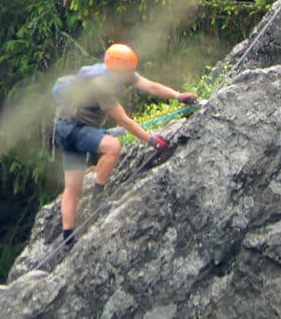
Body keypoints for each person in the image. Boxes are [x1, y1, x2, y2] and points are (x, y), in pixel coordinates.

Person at [52, 43, 198, 245]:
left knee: (73, 187)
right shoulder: (100, 85)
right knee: (112, 148)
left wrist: (179, 96)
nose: (131, 73)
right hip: (74, 131)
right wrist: (152, 140)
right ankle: (97, 196)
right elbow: (124, 120)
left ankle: (68, 237)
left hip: (66, 128)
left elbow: (150, 86)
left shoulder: (119, 73)